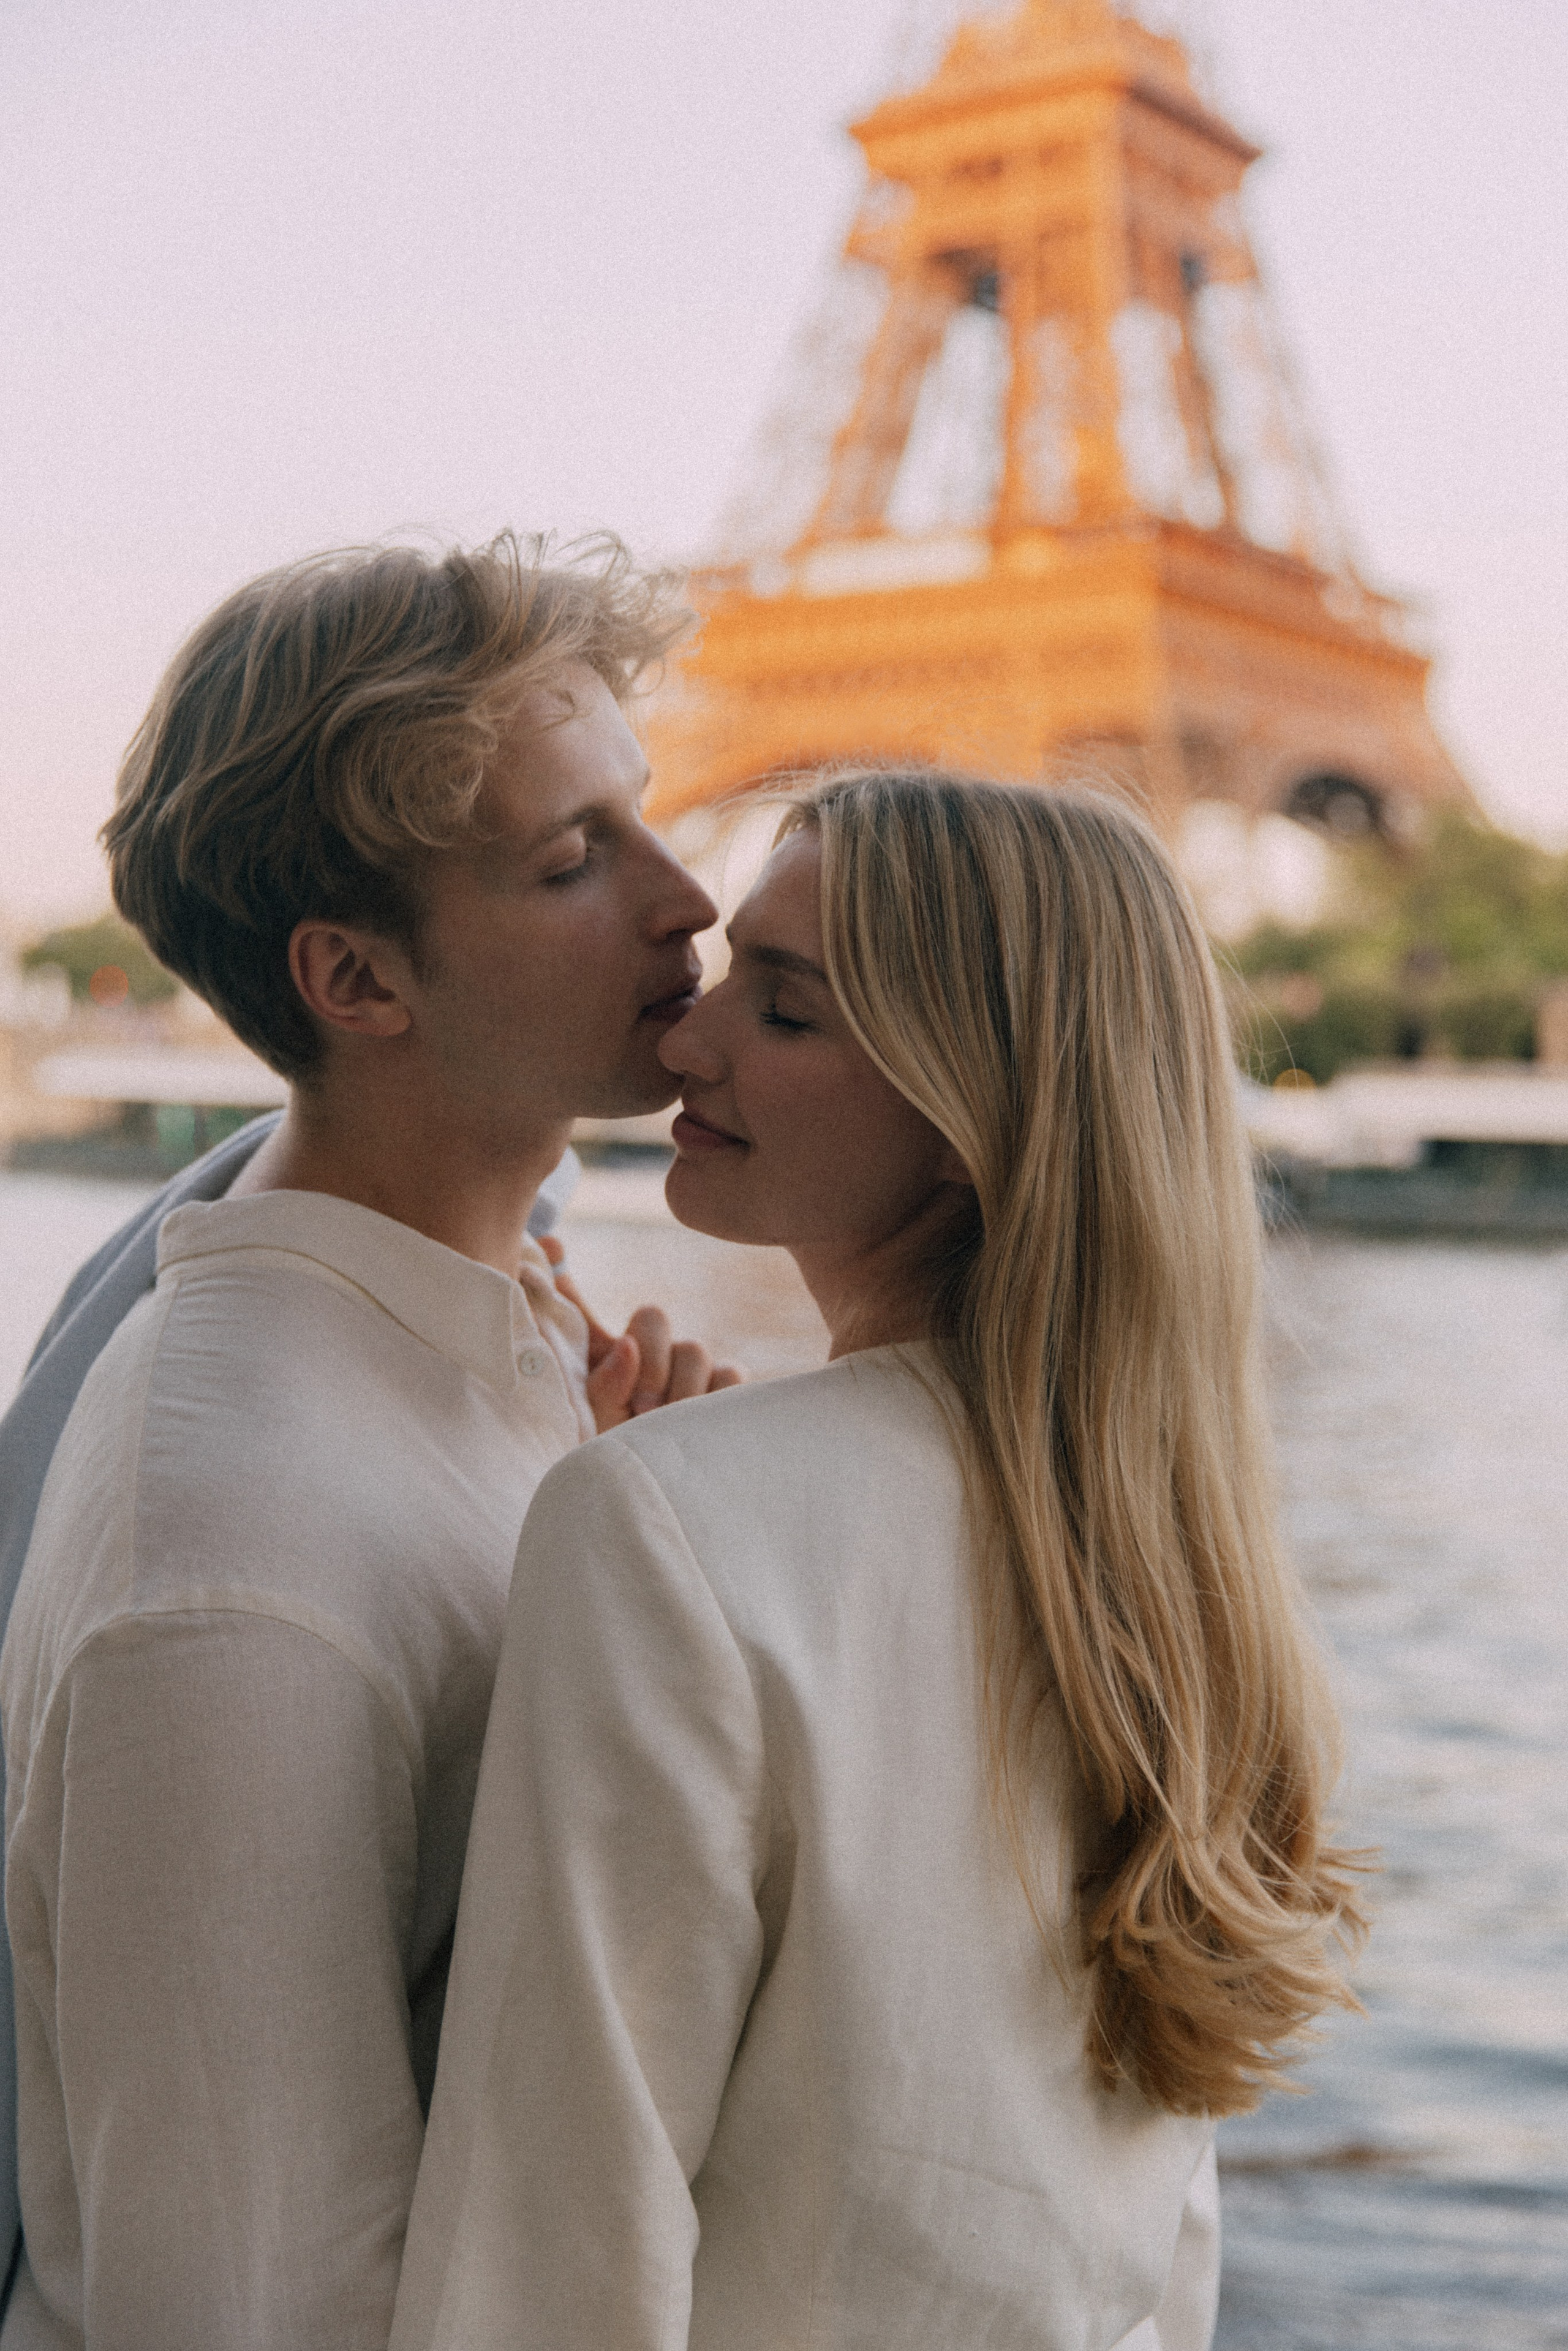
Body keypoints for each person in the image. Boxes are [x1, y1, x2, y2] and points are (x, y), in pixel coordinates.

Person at [390, 771, 1367, 2351]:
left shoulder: (664, 1527)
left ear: (980, 1112)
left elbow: (552, 2248)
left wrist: (653, 1515)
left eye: (787, 1011)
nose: (686, 1042)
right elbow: (1162, 2258)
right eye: (726, 981)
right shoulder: (1185, 1570)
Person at [0, 531, 739, 2350]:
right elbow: (240, 2315)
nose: (690, 900)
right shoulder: (236, 1569)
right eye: (576, 860)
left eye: (643, 817)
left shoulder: (505, 1326)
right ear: (356, 981)